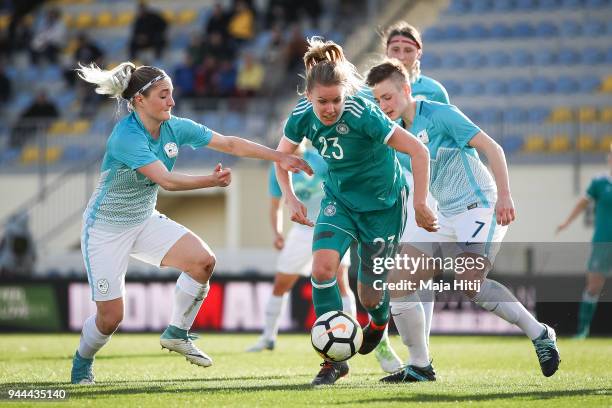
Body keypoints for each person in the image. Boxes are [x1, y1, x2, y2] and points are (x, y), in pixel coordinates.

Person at [70, 61, 312, 385]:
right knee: (111, 317)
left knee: (203, 262)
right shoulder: (126, 136)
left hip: (143, 220)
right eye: (163, 95)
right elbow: (166, 181)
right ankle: (82, 361)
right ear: (139, 100)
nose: (171, 102)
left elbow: (229, 143)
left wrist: (278, 156)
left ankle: (177, 332)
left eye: (171, 94)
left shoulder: (173, 126)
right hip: (105, 229)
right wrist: (211, 181)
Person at [366, 59, 560, 382]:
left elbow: (492, 147)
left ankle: (541, 333)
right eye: (378, 100)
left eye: (388, 97)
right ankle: (421, 366)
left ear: (406, 90)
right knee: (399, 284)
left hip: (480, 205)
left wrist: (505, 195)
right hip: (445, 215)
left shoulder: (439, 114)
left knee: (469, 282)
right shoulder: (396, 135)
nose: (383, 105)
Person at [275, 38, 437, 386]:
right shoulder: (302, 117)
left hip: (383, 208)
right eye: (323, 102)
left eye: (336, 100)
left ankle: (378, 323)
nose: (330, 108)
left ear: (345, 94)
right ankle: (332, 361)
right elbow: (281, 159)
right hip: (340, 202)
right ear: (308, 98)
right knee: (321, 268)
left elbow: (418, 152)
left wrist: (420, 202)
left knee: (370, 295)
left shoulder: (365, 113)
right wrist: (290, 197)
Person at [247, 142, 356, 352]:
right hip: (301, 232)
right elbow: (275, 206)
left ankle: (350, 332)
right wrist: (277, 233)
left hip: (331, 226)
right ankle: (268, 337)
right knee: (281, 284)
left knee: (341, 281)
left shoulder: (320, 159)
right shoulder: (277, 166)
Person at [557, 144, 612, 338]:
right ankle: (582, 330)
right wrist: (565, 223)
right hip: (603, 242)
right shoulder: (600, 182)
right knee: (593, 286)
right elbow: (582, 203)